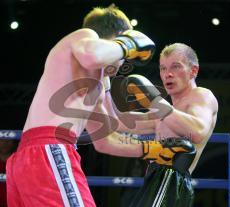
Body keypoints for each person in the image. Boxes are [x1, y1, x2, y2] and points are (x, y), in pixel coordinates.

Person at [6, 5, 191, 207]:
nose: (123, 63)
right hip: (49, 151)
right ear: (117, 39)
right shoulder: (84, 37)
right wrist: (129, 42)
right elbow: (92, 55)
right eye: (126, 56)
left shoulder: (100, 79)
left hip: (30, 161)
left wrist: (155, 144)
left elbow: (108, 135)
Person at [110, 43, 218, 207]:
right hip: (155, 178)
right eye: (163, 68)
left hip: (172, 180)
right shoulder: (168, 112)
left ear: (193, 71)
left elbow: (197, 131)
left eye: (175, 67)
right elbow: (118, 122)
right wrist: (100, 91)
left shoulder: (201, 95)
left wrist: (154, 100)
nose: (168, 74)